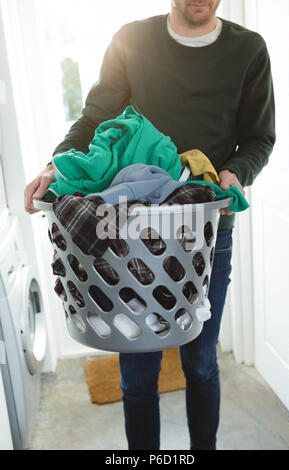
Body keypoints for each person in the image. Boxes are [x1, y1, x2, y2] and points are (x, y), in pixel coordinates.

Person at [24, 0, 275, 450]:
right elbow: (95, 119)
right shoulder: (131, 40)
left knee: (199, 360)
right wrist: (53, 166)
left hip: (203, 230)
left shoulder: (248, 50)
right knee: (138, 368)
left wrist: (236, 171)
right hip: (128, 233)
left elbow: (259, 137)